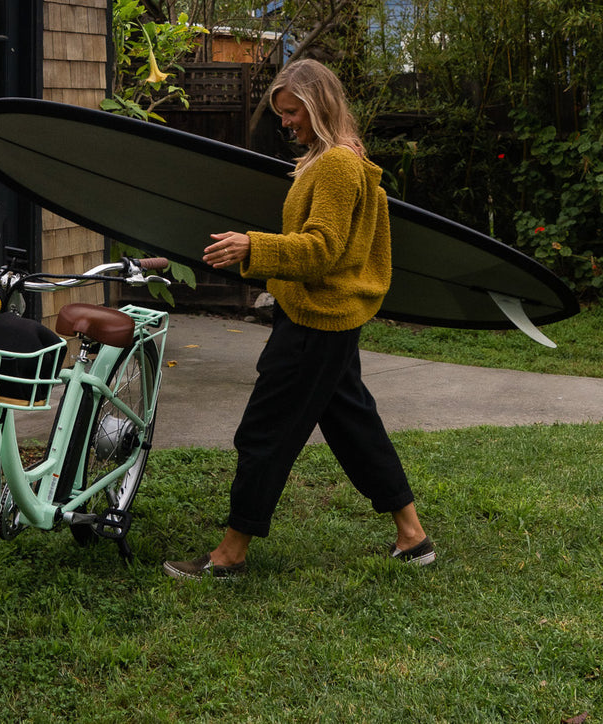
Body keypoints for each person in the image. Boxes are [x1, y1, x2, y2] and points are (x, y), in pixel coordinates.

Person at [162, 59, 434, 580]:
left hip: (315, 321)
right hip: (326, 318)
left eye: (292, 112)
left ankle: (231, 554)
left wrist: (253, 246)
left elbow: (322, 250)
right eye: (282, 113)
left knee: (265, 432)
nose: (285, 122)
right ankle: (413, 535)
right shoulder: (332, 158)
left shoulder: (335, 165)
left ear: (319, 105)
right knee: (354, 425)